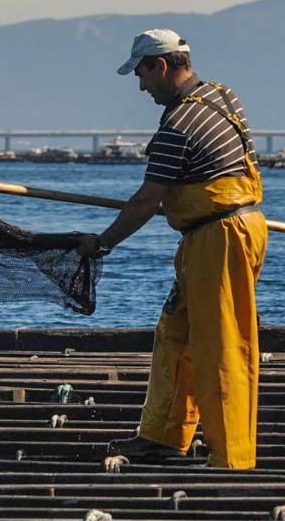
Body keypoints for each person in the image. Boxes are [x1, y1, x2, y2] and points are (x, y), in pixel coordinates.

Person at [77, 29, 268, 469]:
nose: (142, 87)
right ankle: (164, 435)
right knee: (176, 333)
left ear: (160, 65)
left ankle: (232, 456)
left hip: (220, 239)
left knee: (221, 347)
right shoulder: (222, 96)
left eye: (142, 74)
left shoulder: (177, 127)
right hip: (224, 230)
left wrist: (101, 243)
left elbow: (147, 201)